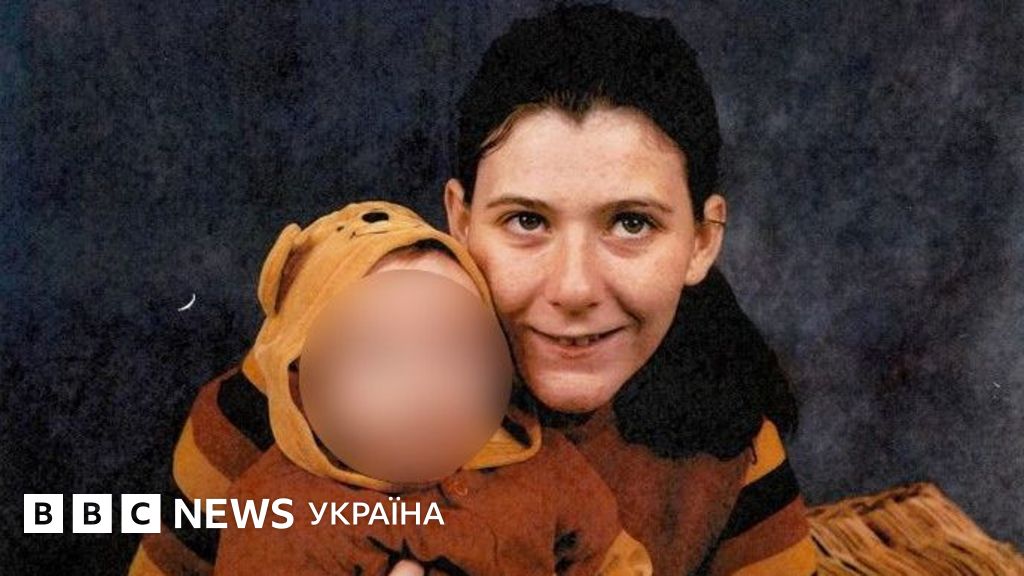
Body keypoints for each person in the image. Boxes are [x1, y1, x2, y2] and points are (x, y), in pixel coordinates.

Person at [131, 5, 814, 576]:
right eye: (526, 221)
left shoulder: (731, 448)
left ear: (701, 241)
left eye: (631, 223)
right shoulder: (278, 401)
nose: (574, 287)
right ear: (459, 220)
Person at [213, 201, 652, 575]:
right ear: (302, 376)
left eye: (455, 350)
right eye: (379, 356)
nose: (424, 386)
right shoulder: (278, 512)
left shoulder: (540, 463)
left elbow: (612, 560)